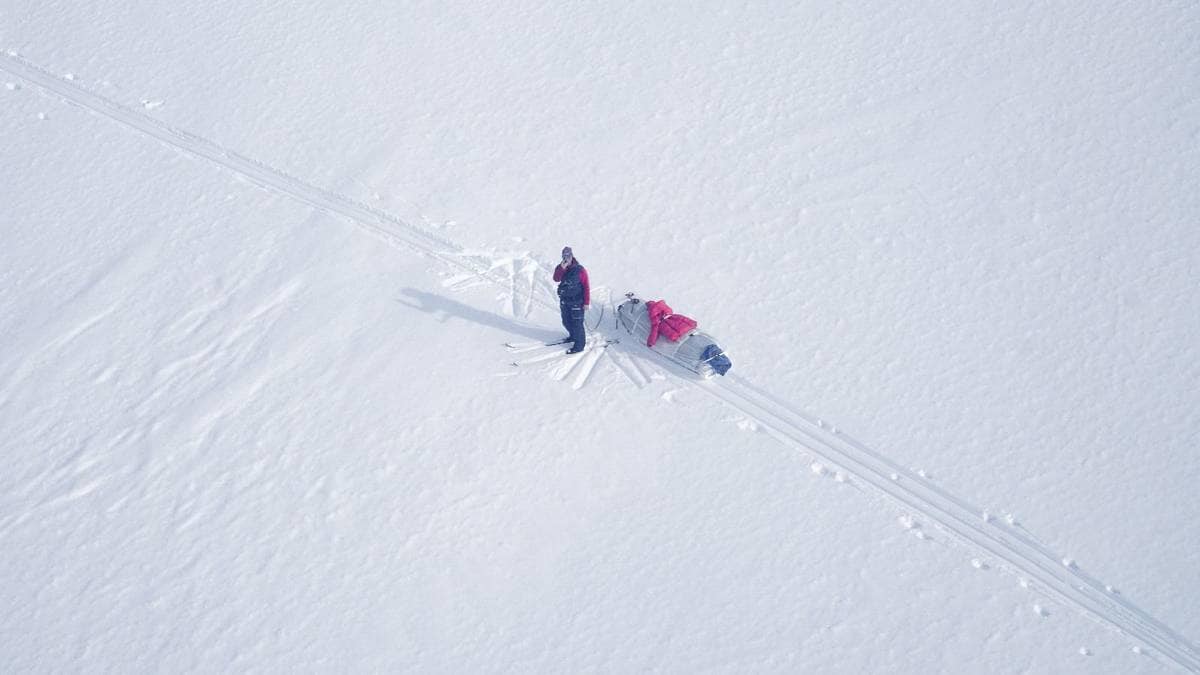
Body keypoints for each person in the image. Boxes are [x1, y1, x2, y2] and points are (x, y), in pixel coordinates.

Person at [553, 246, 590, 354]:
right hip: (565, 301)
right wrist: (562, 268)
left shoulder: (580, 270)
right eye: (564, 256)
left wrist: (586, 302)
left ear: (572, 256)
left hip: (577, 302)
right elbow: (556, 279)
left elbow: (586, 286)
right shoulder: (560, 267)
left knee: (577, 324)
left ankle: (579, 346)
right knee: (566, 321)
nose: (566, 258)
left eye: (568, 256)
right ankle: (573, 336)